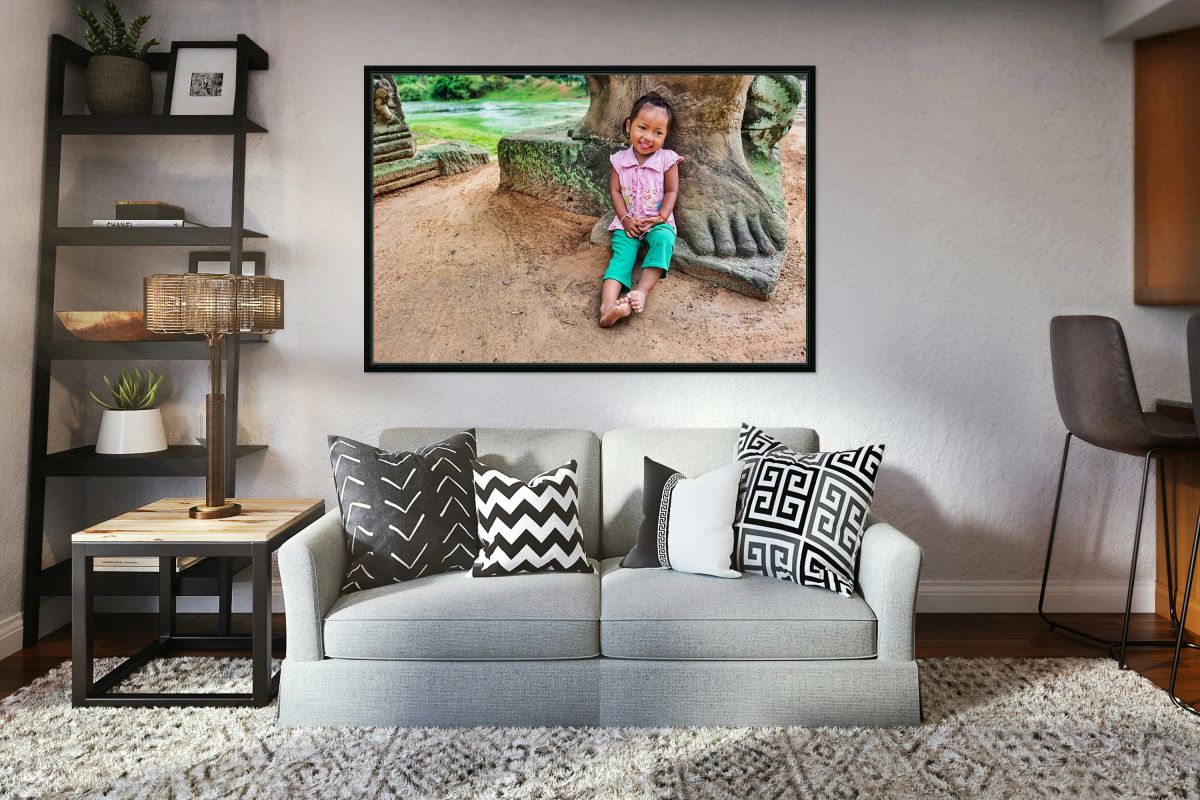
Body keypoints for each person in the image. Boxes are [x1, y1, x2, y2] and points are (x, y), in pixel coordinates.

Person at [599, 92, 683, 328]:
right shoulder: (619, 160)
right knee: (621, 257)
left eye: (658, 132)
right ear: (629, 126)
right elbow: (615, 191)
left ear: (666, 136)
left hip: (657, 222)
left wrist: (661, 218)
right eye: (642, 128)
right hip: (628, 222)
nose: (648, 137)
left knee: (664, 240)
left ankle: (642, 292)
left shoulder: (667, 160)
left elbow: (671, 191)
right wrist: (625, 219)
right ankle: (607, 307)